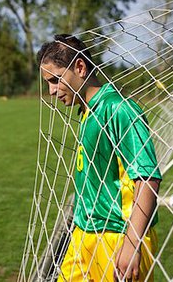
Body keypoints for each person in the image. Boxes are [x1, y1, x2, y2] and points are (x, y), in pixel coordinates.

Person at [37, 34, 162, 282]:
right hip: (84, 235)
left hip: (118, 238)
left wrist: (132, 243)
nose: (51, 91)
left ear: (80, 68)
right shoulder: (88, 111)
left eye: (55, 80)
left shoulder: (118, 108)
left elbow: (147, 178)